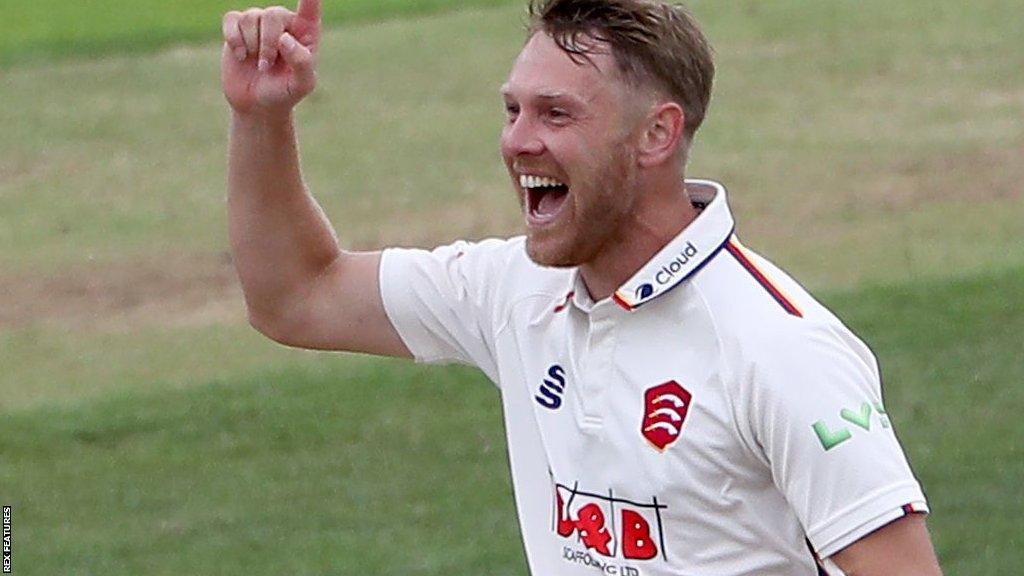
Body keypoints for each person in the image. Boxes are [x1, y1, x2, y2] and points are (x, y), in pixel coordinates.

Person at [220, 0, 944, 573]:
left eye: (555, 113)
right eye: (513, 109)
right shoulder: (517, 291)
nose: (516, 141)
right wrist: (261, 116)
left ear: (656, 135)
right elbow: (297, 295)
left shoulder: (780, 348)